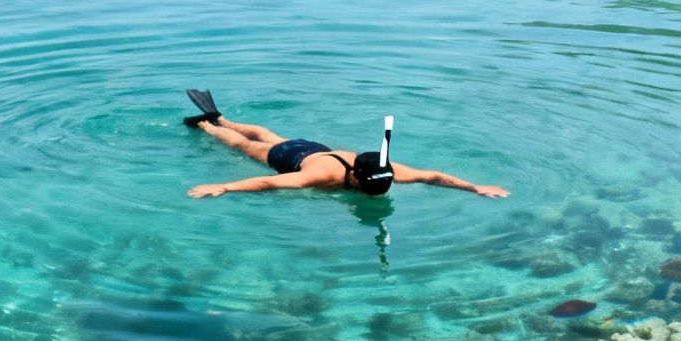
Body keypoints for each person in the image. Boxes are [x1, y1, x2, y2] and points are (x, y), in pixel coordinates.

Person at [180, 90, 508, 200]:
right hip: (291, 157)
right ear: (354, 176)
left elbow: (433, 176)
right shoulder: (322, 177)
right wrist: (224, 187)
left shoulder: (387, 169)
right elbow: (269, 181)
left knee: (271, 133)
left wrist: (474, 187)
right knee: (244, 145)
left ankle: (223, 117)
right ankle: (210, 125)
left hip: (313, 147)